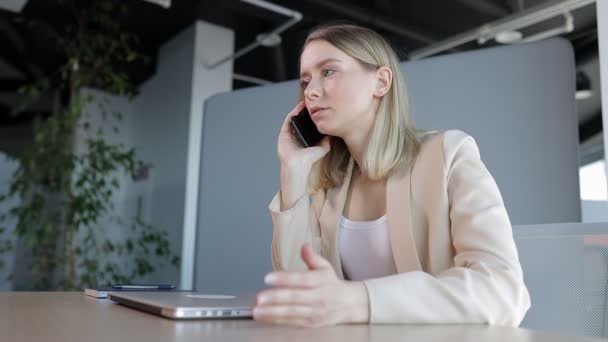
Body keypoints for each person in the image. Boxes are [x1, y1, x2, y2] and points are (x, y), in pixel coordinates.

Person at [251, 23, 531, 328]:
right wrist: (292, 172)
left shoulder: (448, 154)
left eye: (328, 71)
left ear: (381, 81)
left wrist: (359, 300)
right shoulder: (329, 187)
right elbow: (303, 295)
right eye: (305, 81)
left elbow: (503, 292)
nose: (312, 92)